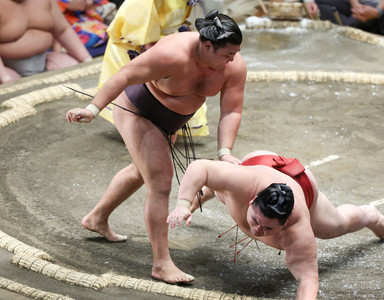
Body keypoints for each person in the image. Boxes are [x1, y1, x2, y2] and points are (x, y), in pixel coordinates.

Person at [65, 9, 246, 284]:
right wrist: (92, 108)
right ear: (207, 45)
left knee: (142, 171)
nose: (232, 59)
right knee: (160, 181)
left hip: (172, 119)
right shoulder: (172, 53)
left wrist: (225, 152)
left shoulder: (233, 65)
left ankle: (97, 218)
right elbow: (125, 75)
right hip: (139, 109)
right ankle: (161, 264)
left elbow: (231, 110)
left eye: (235, 53)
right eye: (226, 54)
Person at [167, 150, 384, 298]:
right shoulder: (241, 184)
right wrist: (183, 204)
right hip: (257, 163)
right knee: (223, 190)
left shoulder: (299, 229)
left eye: (267, 229)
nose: (257, 230)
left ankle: (369, 216)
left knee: (335, 225)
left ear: (285, 224)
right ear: (253, 200)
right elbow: (201, 168)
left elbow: (308, 279)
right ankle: (199, 200)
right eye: (256, 221)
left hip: (301, 183)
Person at [97, 0, 209, 137]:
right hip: (141, 38)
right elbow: (138, 10)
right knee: (136, 88)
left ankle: (158, 125)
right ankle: (134, 128)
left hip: (168, 38)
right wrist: (149, 43)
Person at [0, 0, 92, 84]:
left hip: (44, 61)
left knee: (77, 69)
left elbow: (63, 30)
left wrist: (86, 59)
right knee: (9, 89)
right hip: (7, 68)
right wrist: (5, 77)